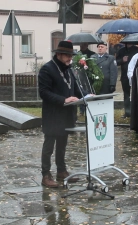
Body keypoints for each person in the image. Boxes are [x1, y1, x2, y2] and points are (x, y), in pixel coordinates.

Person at [38, 40, 83, 188]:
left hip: (66, 114)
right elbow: (44, 93)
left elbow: (75, 90)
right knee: (49, 145)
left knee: (62, 144)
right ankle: (46, 175)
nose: (70, 58)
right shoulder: (47, 69)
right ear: (59, 54)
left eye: (71, 55)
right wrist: (64, 100)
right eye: (68, 55)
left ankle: (61, 170)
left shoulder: (69, 70)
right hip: (53, 114)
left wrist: (87, 96)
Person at [116, 44, 138, 118]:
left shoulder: (137, 50)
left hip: (135, 75)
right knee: (126, 94)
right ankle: (127, 112)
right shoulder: (121, 50)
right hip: (124, 76)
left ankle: (136, 111)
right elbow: (116, 62)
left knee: (136, 94)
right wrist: (122, 60)